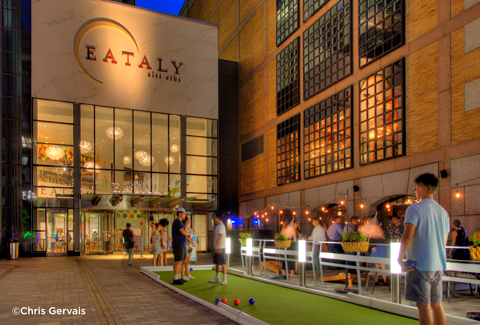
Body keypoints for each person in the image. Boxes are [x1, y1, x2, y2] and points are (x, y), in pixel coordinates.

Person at [397, 173, 449, 325]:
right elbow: (444, 241)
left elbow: (407, 236)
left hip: (420, 265)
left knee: (423, 305)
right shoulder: (443, 212)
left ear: (426, 188)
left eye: (416, 187)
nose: (415, 191)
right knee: (436, 304)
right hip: (438, 264)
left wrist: (400, 258)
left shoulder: (414, 209)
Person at [172, 208, 196, 285]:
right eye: (184, 213)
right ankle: (176, 278)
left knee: (180, 261)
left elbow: (183, 233)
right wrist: (188, 234)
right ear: (180, 213)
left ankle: (179, 277)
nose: (185, 215)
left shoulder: (180, 222)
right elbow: (182, 231)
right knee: (178, 261)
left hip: (182, 244)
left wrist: (190, 240)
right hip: (178, 244)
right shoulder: (177, 221)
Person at [210, 213, 228, 285]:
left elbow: (221, 236)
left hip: (221, 247)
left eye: (215, 218)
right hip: (218, 247)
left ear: (217, 218)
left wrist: (218, 247)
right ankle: (217, 277)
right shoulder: (218, 226)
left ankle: (225, 279)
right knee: (217, 263)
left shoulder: (221, 226)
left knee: (223, 263)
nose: (214, 219)